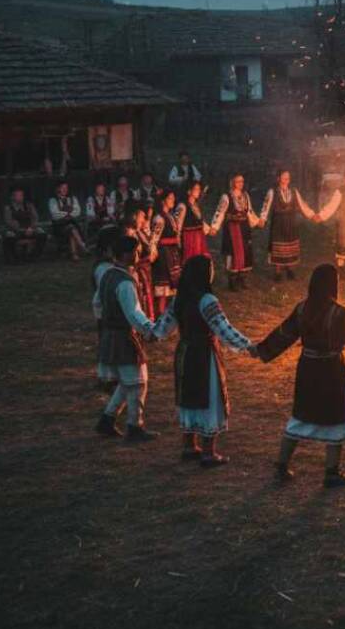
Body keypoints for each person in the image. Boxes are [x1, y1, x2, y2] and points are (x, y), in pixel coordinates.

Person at [255, 263, 345, 486]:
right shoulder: (338, 313)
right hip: (331, 371)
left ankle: (281, 465)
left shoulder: (303, 309)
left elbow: (284, 333)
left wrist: (262, 349)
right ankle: (331, 472)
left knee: (301, 416)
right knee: (337, 416)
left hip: (308, 368)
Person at [151, 255, 256, 466]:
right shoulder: (207, 300)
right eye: (210, 269)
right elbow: (223, 328)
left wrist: (147, 331)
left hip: (185, 351)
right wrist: (248, 346)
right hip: (203, 354)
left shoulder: (180, 299)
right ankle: (208, 452)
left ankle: (189, 446)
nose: (213, 272)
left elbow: (161, 328)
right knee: (210, 397)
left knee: (188, 397)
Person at [95, 234, 159, 442]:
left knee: (127, 381)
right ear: (126, 254)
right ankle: (134, 426)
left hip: (111, 335)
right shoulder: (124, 282)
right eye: (136, 251)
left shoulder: (108, 275)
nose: (138, 254)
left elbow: (97, 303)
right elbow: (133, 313)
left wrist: (105, 322)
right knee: (139, 382)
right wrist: (151, 330)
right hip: (124, 337)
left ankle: (107, 419)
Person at [258, 168, 320, 281]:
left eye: (288, 177)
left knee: (290, 245)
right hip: (278, 222)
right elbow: (266, 205)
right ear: (279, 178)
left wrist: (312, 215)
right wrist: (262, 218)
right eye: (284, 176)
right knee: (278, 246)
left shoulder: (293, 191)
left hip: (291, 222)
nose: (287, 179)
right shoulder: (273, 191)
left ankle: (290, 269)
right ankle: (278, 272)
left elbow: (302, 205)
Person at [208, 174, 263, 289]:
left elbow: (249, 211)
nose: (240, 184)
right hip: (232, 228)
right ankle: (232, 281)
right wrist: (214, 226)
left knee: (245, 251)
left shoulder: (245, 196)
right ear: (232, 182)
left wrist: (257, 221)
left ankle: (242, 278)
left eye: (242, 181)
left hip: (244, 227)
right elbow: (220, 212)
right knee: (233, 252)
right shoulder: (226, 196)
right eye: (238, 181)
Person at [91, 225, 120, 391]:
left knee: (107, 342)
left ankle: (108, 375)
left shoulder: (108, 267)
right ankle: (106, 377)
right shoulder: (104, 269)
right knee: (107, 343)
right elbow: (103, 294)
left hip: (107, 312)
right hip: (107, 312)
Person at [151, 189, 185, 314]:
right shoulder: (159, 218)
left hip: (172, 253)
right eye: (170, 198)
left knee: (171, 288)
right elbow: (154, 239)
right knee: (163, 289)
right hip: (164, 255)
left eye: (173, 198)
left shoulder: (170, 216)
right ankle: (161, 315)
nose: (173, 201)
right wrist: (153, 253)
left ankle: (169, 315)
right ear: (163, 201)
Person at [123, 202, 156, 320]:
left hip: (141, 271)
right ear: (134, 217)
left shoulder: (138, 232)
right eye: (141, 217)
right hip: (132, 271)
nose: (144, 220)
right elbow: (131, 258)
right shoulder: (129, 233)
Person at [1, 186, 46, 262]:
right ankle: (13, 258)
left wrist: (31, 227)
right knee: (9, 236)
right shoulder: (8, 208)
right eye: (17, 195)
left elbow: (35, 217)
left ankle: (35, 255)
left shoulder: (29, 205)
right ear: (12, 197)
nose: (20, 197)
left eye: (21, 195)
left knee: (42, 234)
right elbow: (8, 221)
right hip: (16, 230)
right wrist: (20, 229)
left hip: (30, 229)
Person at [48, 181, 86, 261]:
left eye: (66, 188)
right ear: (58, 189)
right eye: (63, 188)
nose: (65, 190)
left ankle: (74, 254)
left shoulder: (73, 198)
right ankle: (82, 246)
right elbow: (55, 214)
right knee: (71, 229)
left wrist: (68, 215)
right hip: (59, 226)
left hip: (72, 224)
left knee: (71, 229)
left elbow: (77, 211)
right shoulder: (53, 200)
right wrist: (68, 214)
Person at [180, 181, 212, 260]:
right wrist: (178, 239)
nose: (198, 191)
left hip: (199, 236)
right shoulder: (183, 206)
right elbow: (179, 224)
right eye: (196, 189)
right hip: (189, 237)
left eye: (199, 189)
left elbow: (199, 220)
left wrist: (208, 229)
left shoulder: (195, 206)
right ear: (189, 191)